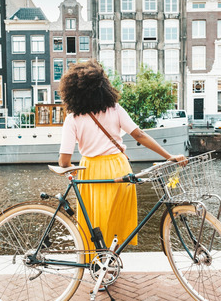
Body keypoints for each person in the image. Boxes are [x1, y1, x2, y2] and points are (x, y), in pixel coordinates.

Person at [58, 61, 186, 253]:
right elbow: (139, 135)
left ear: (72, 92)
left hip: (91, 172)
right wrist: (169, 156)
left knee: (95, 221)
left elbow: (64, 160)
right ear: (104, 87)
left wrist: (71, 168)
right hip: (120, 167)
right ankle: (112, 259)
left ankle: (99, 263)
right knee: (117, 219)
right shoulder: (115, 109)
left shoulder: (73, 119)